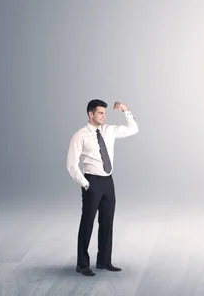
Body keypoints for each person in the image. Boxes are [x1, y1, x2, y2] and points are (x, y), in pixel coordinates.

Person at [66, 99, 139, 276]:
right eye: (100, 113)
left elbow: (133, 129)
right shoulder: (80, 135)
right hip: (92, 182)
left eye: (105, 113)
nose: (104, 116)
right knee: (87, 223)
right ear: (90, 114)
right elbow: (71, 164)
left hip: (108, 182)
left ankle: (104, 261)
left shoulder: (109, 130)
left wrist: (125, 110)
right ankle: (82, 264)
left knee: (107, 222)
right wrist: (85, 184)